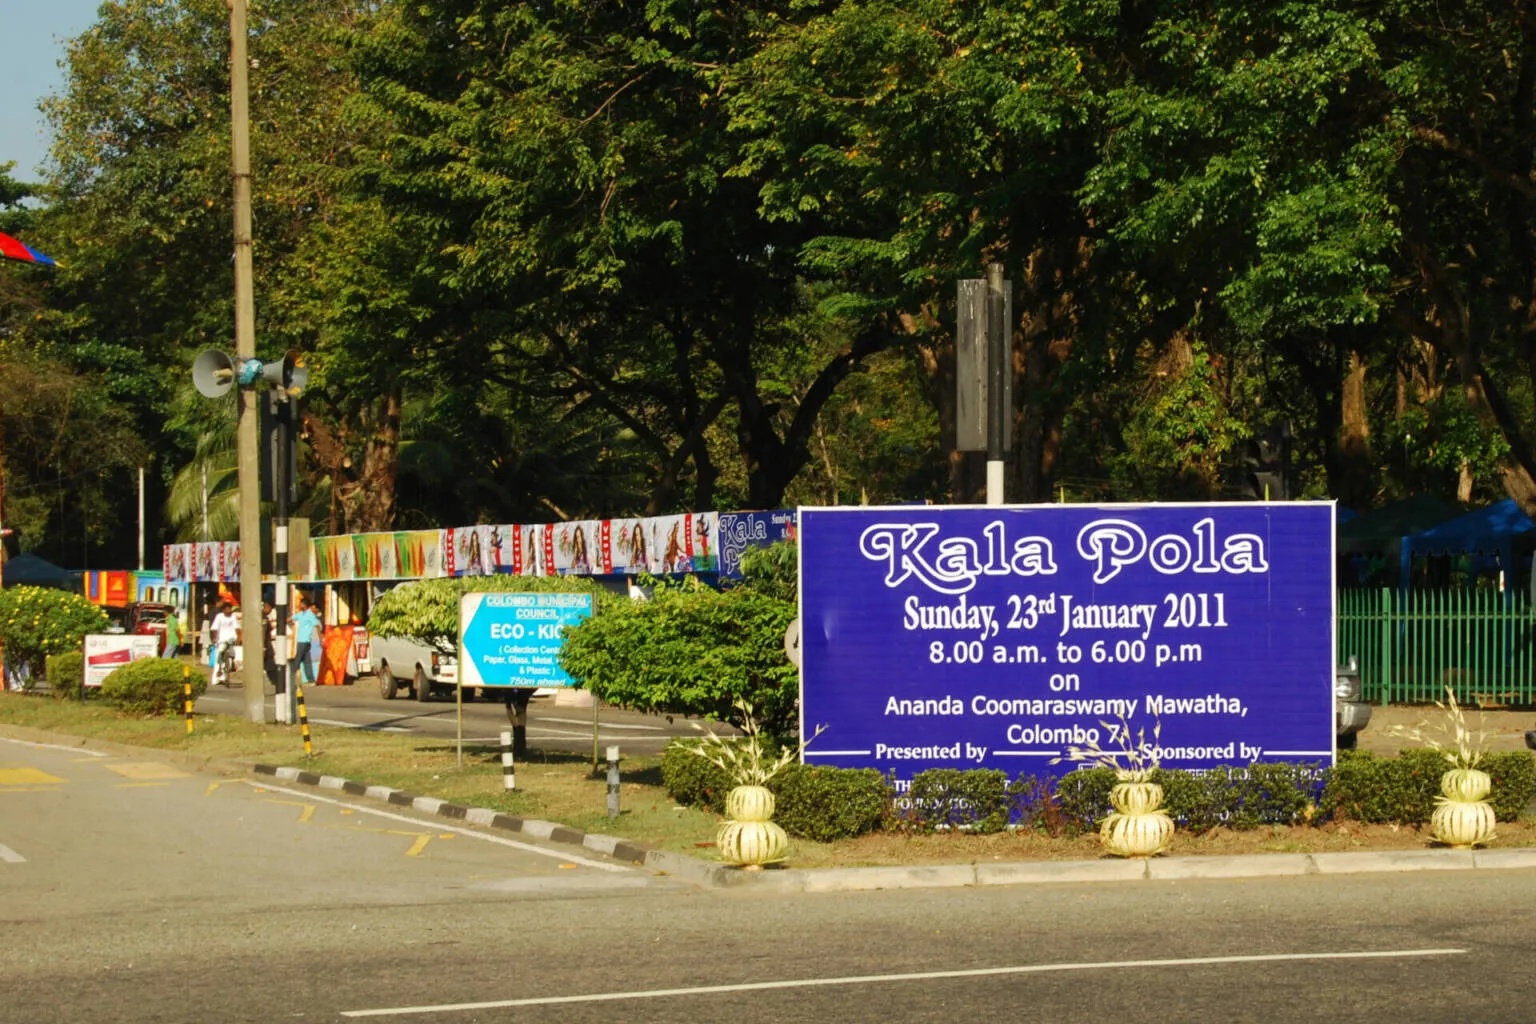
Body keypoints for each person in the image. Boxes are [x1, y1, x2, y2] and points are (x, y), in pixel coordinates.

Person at [291, 597, 322, 687]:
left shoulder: (310, 615)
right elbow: (291, 618)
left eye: (301, 604)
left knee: (297, 660)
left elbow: (317, 626)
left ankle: (291, 678)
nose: (300, 605)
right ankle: (311, 680)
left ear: (305, 605)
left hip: (304, 641)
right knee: (307, 661)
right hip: (301, 640)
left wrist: (320, 639)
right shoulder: (301, 614)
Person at [209, 602, 241, 685]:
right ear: (223, 610)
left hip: (231, 639)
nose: (228, 611)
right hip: (221, 639)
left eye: (229, 609)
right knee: (219, 657)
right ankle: (216, 677)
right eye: (226, 609)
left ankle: (226, 673)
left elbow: (237, 628)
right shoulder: (219, 616)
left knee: (232, 656)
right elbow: (215, 628)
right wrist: (215, 638)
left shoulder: (233, 617)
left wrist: (239, 638)